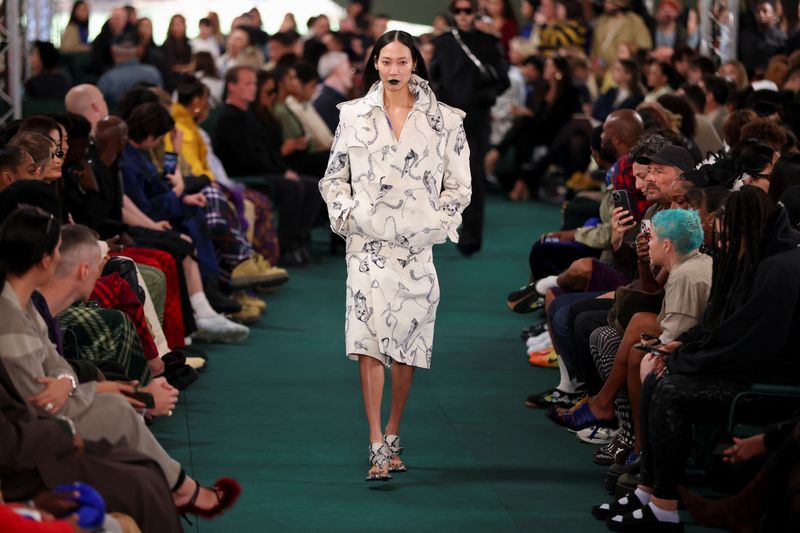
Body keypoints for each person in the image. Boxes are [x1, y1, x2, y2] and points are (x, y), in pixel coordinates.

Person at [0, 206, 241, 523]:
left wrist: (69, 383)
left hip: (50, 413)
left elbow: (55, 363)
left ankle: (178, 484)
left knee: (120, 411)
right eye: (57, 251)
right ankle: (182, 487)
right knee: (118, 414)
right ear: (44, 259)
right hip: (34, 430)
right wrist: (82, 389)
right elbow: (39, 401)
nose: (60, 259)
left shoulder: (23, 301)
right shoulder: (11, 320)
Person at [593, 186, 800, 531]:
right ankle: (648, 490)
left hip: (767, 385)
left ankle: (664, 508)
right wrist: (682, 347)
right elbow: (722, 325)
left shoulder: (778, 270)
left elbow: (754, 345)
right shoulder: (758, 260)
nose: (721, 243)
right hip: (749, 370)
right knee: (660, 376)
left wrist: (686, 360)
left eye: (727, 234)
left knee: (670, 391)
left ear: (747, 229)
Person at [319, 30, 472, 481]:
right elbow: (333, 179)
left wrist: (437, 223)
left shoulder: (446, 121)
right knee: (367, 343)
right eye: (385, 62)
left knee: (407, 346)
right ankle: (373, 443)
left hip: (416, 250)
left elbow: (459, 185)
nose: (393, 70)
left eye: (402, 62)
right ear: (374, 65)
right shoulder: (353, 117)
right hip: (366, 246)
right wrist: (349, 216)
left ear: (415, 66)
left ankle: (392, 432)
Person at [430, 0, 509, 256]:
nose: (463, 16)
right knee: (439, 175)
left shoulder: (488, 43)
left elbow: (503, 79)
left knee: (473, 177)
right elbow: (434, 78)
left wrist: (486, 97)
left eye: (468, 11)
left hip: (476, 120)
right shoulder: (443, 44)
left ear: (476, 13)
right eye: (458, 11)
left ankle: (471, 239)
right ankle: (437, 229)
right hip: (447, 120)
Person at [96, 35, 163, 109]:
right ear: (138, 50)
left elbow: (98, 107)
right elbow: (162, 101)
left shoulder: (108, 79)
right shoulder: (153, 73)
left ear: (112, 51)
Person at [313, 51, 355, 134]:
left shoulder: (330, 98)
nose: (352, 72)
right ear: (337, 70)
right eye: (348, 67)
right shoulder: (325, 102)